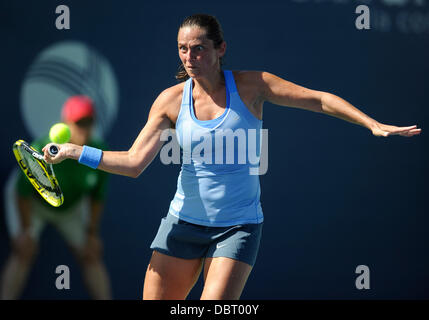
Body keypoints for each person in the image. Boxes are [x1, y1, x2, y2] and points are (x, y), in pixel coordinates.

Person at [41, 14, 421, 300]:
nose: (190, 57)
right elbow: (135, 163)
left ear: (220, 48)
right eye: (183, 49)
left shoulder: (253, 86)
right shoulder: (170, 102)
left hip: (237, 228)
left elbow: (319, 99)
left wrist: (372, 123)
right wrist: (77, 151)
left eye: (199, 48)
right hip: (181, 225)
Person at [1, 95, 112, 300]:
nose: (84, 128)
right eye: (79, 123)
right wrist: (25, 231)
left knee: (91, 255)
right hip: (32, 203)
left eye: (88, 122)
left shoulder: (97, 152)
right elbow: (22, 191)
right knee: (24, 252)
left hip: (71, 208)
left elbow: (97, 197)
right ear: (66, 124)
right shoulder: (42, 148)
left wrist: (92, 234)